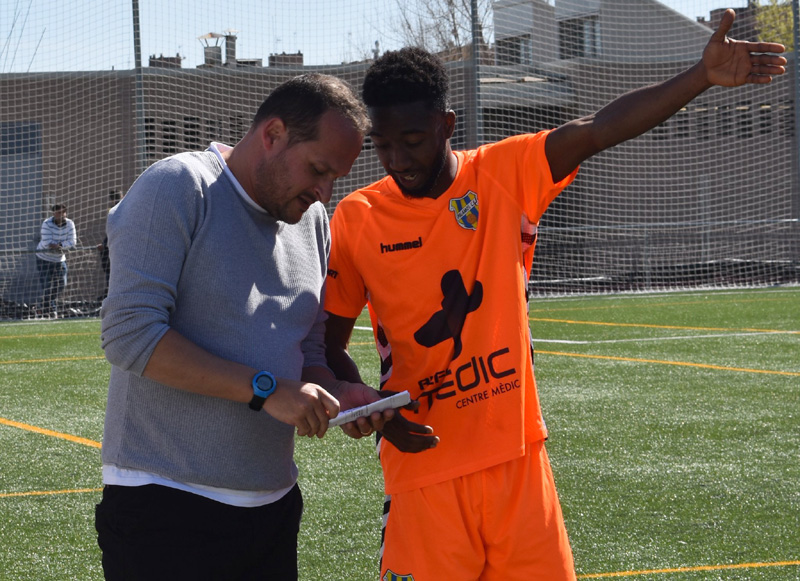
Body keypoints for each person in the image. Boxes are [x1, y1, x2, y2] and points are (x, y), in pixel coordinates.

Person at [323, 11, 786, 580]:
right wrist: (370, 406)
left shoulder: (503, 174)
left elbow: (598, 129)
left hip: (519, 461)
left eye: (411, 142)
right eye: (382, 145)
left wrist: (700, 76)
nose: (396, 160)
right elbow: (327, 347)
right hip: (423, 471)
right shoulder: (356, 218)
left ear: (446, 125)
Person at [95, 73, 392, 581]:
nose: (323, 192)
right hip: (165, 507)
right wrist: (266, 390)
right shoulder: (178, 185)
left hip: (272, 508)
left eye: (335, 178)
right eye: (318, 169)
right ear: (272, 134)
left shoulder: (314, 221)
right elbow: (129, 333)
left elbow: (309, 347)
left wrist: (339, 392)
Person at [35, 203, 76, 318]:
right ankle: (51, 309)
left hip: (59, 259)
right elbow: (48, 243)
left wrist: (60, 245)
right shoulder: (46, 224)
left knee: (62, 283)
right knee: (46, 285)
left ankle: (42, 305)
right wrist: (61, 245)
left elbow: (72, 242)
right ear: (54, 214)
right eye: (58, 212)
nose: (61, 215)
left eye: (63, 212)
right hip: (44, 258)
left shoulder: (70, 224)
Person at [97, 190, 122, 299]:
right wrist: (104, 243)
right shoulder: (112, 211)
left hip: (119, 244)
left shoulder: (122, 209)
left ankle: (114, 296)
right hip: (112, 245)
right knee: (110, 273)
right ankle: (111, 296)